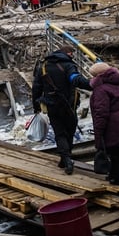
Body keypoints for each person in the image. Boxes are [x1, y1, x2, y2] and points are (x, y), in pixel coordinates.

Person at [31, 45, 92, 175]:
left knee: (59, 132)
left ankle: (65, 159)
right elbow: (75, 79)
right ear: (68, 53)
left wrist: (36, 106)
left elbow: (36, 87)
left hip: (51, 105)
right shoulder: (68, 65)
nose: (73, 57)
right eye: (72, 54)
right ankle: (67, 157)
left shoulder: (43, 65)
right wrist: (93, 84)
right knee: (69, 131)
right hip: (69, 105)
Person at [89, 62, 119, 186]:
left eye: (92, 76)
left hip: (112, 126)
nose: (91, 78)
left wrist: (98, 131)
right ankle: (113, 177)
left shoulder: (100, 89)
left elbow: (101, 113)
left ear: (98, 76)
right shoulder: (117, 83)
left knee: (113, 155)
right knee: (117, 154)